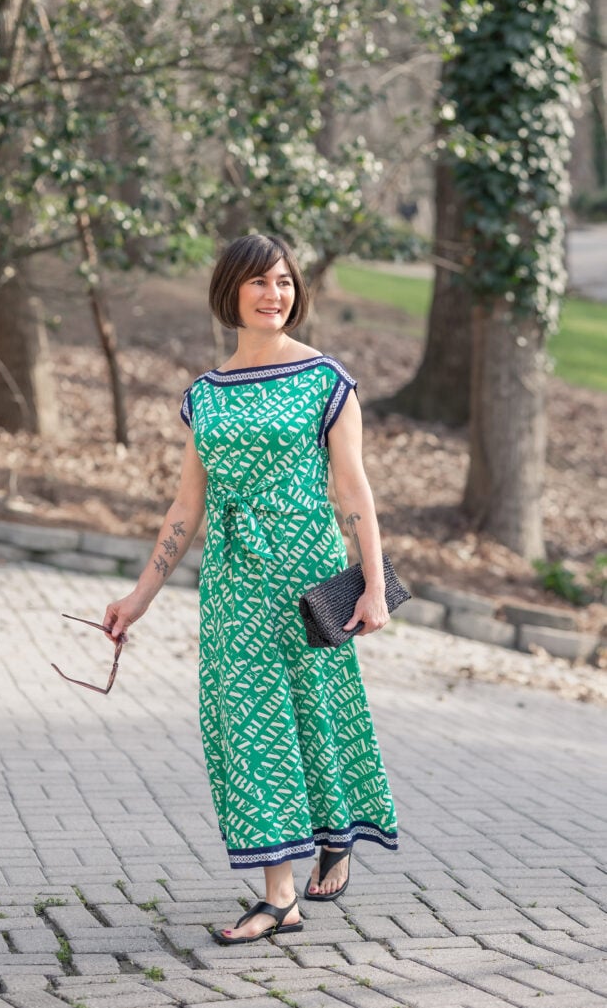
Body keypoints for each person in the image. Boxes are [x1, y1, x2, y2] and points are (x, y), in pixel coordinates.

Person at [103, 234, 397, 945]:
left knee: (315, 715)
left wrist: (375, 585)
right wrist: (140, 594)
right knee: (246, 725)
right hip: (233, 582)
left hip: (308, 573)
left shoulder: (326, 379)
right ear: (230, 292)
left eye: (285, 282)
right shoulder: (204, 395)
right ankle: (279, 895)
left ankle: (334, 834)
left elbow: (351, 486)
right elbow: (185, 506)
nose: (276, 294)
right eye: (260, 282)